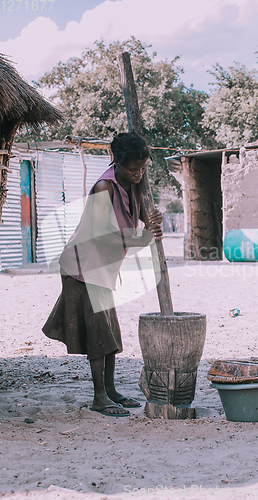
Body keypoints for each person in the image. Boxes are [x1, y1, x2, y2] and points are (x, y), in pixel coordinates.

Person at [43, 131, 163, 417]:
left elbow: (144, 215)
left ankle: (110, 392)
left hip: (104, 268)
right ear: (117, 163)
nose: (138, 174)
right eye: (133, 169)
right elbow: (100, 235)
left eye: (143, 169)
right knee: (98, 334)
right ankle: (99, 398)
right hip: (83, 267)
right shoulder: (103, 188)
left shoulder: (134, 183)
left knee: (110, 332)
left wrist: (152, 220)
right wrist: (140, 240)